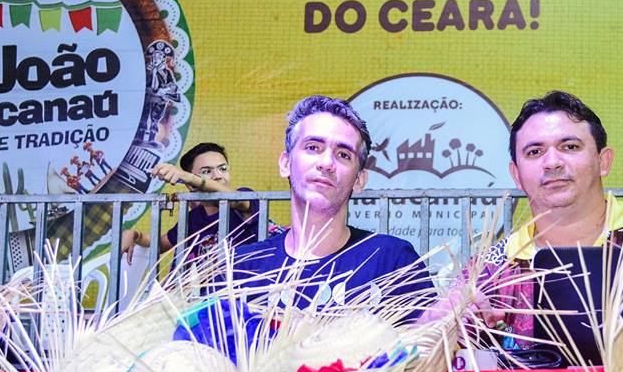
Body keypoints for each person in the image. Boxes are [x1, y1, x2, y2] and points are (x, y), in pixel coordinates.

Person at [475, 90, 623, 345]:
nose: (552, 162)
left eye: (570, 146)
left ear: (603, 161)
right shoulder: (489, 272)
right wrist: (453, 324)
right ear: (516, 175)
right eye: (534, 152)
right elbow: (446, 347)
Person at [229, 95, 430, 310]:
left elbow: (432, 331)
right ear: (286, 163)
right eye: (313, 147)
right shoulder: (241, 268)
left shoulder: (392, 261)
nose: (326, 163)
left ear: (359, 180)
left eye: (343, 154)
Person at [120, 142, 260, 265]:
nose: (218, 176)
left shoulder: (244, 199)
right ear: (190, 186)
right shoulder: (193, 218)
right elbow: (160, 244)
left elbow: (234, 199)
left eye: (223, 169)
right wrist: (135, 235)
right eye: (206, 171)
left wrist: (188, 177)